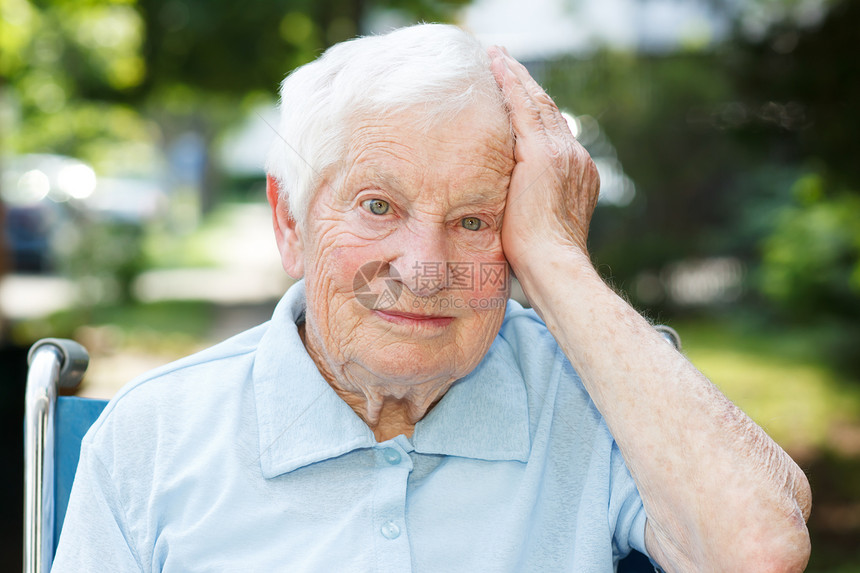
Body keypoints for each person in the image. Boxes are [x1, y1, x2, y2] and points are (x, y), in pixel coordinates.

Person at [53, 24, 811, 572]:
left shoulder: (600, 397)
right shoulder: (148, 436)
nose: (423, 269)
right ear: (290, 220)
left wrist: (559, 262)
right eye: (378, 206)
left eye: (475, 220)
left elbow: (759, 549)